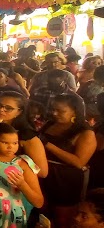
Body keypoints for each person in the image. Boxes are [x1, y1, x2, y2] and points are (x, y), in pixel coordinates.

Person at [40, 94, 96, 228]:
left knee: (62, 219)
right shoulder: (50, 124)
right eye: (53, 109)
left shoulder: (85, 132)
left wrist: (48, 145)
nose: (54, 113)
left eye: (60, 111)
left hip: (65, 180)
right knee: (44, 214)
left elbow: (79, 162)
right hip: (45, 174)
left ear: (75, 111)